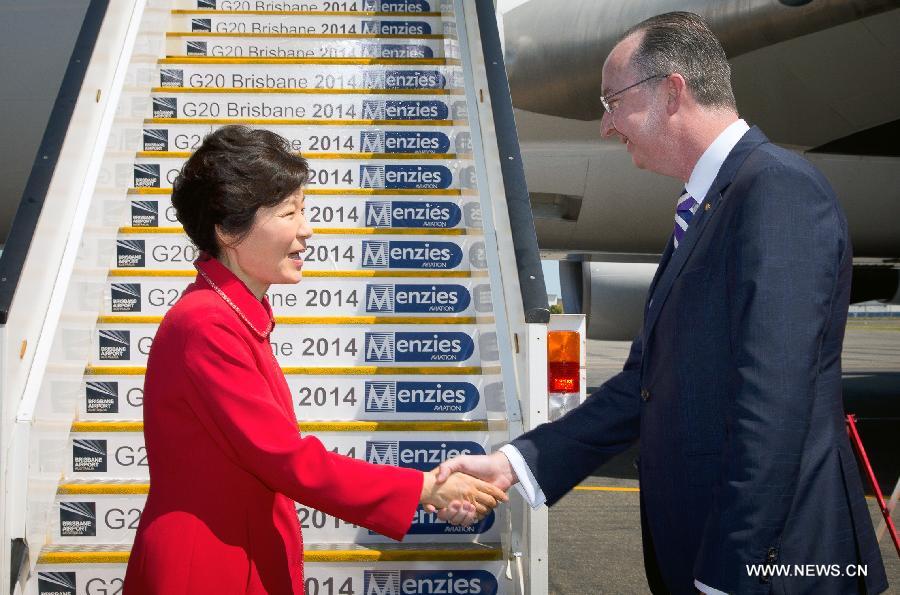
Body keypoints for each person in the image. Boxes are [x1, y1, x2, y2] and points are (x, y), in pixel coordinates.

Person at [433, 12, 888, 595]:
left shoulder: (776, 190)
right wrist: (515, 464)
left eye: (612, 102)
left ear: (672, 92)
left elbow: (776, 403)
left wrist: (732, 574)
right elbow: (644, 384)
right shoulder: (709, 204)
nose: (605, 126)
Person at [123, 125, 506, 594]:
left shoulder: (233, 315)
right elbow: (286, 459)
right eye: (289, 213)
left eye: (303, 211)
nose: (307, 229)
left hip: (235, 554)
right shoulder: (208, 323)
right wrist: (421, 489)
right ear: (228, 229)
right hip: (207, 566)